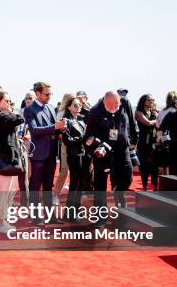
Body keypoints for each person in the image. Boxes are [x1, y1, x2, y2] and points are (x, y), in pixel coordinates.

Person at [84, 91, 138, 223]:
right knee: (100, 184)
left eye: (117, 106)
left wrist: (134, 140)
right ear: (104, 102)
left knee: (127, 175)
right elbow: (89, 136)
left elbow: (131, 122)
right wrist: (96, 147)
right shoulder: (95, 111)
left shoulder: (125, 103)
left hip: (122, 148)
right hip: (103, 150)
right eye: (111, 107)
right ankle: (100, 216)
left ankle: (118, 192)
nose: (115, 110)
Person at [24, 81, 65, 224]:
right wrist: (55, 127)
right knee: (35, 186)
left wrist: (61, 128)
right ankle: (35, 217)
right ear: (38, 93)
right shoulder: (29, 110)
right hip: (39, 153)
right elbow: (34, 130)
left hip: (51, 152)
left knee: (48, 186)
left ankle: (50, 216)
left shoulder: (50, 108)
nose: (49, 96)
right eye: (47, 94)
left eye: (50, 94)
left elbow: (55, 128)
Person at [0, 91, 25, 232]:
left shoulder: (3, 116)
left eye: (10, 101)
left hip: (10, 158)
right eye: (7, 101)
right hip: (3, 159)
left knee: (10, 191)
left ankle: (4, 220)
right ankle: (1, 223)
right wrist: (12, 111)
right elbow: (19, 119)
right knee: (3, 191)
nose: (9, 104)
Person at [61, 95, 90, 219]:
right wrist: (81, 139)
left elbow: (93, 114)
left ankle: (75, 211)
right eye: (75, 105)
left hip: (84, 154)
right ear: (68, 107)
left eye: (79, 105)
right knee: (74, 184)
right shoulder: (65, 120)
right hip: (74, 155)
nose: (78, 107)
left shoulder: (82, 119)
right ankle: (69, 213)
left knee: (81, 184)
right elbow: (67, 140)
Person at [53, 93, 76, 203]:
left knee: (73, 171)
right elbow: (58, 131)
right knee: (65, 171)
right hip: (66, 145)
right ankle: (55, 194)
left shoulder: (77, 111)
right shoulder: (61, 113)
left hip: (76, 146)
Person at [135, 94, 159, 190]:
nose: (151, 102)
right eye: (149, 100)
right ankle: (144, 187)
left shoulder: (153, 112)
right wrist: (157, 120)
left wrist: (156, 114)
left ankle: (155, 186)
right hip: (143, 143)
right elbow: (148, 123)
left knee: (154, 166)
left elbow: (160, 122)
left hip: (153, 143)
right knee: (144, 166)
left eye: (153, 100)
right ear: (144, 101)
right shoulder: (138, 112)